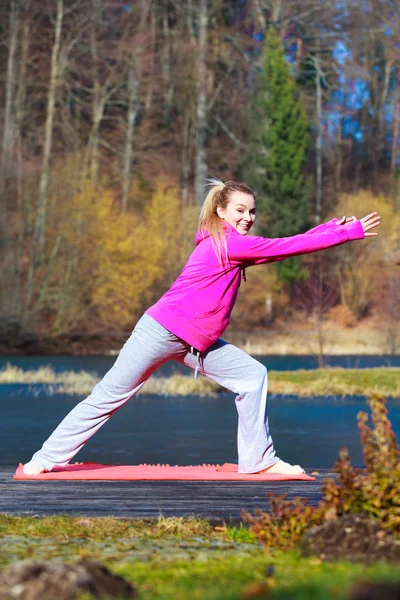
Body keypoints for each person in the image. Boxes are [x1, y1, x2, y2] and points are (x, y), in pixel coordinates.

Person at [23, 179, 380, 476]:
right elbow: (283, 247)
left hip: (196, 343)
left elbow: (276, 248)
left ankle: (257, 460)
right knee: (109, 397)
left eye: (252, 211)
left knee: (252, 376)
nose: (248, 217)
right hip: (159, 332)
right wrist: (346, 234)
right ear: (220, 212)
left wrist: (333, 228)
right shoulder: (223, 246)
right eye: (240, 210)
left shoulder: (231, 244)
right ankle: (45, 458)